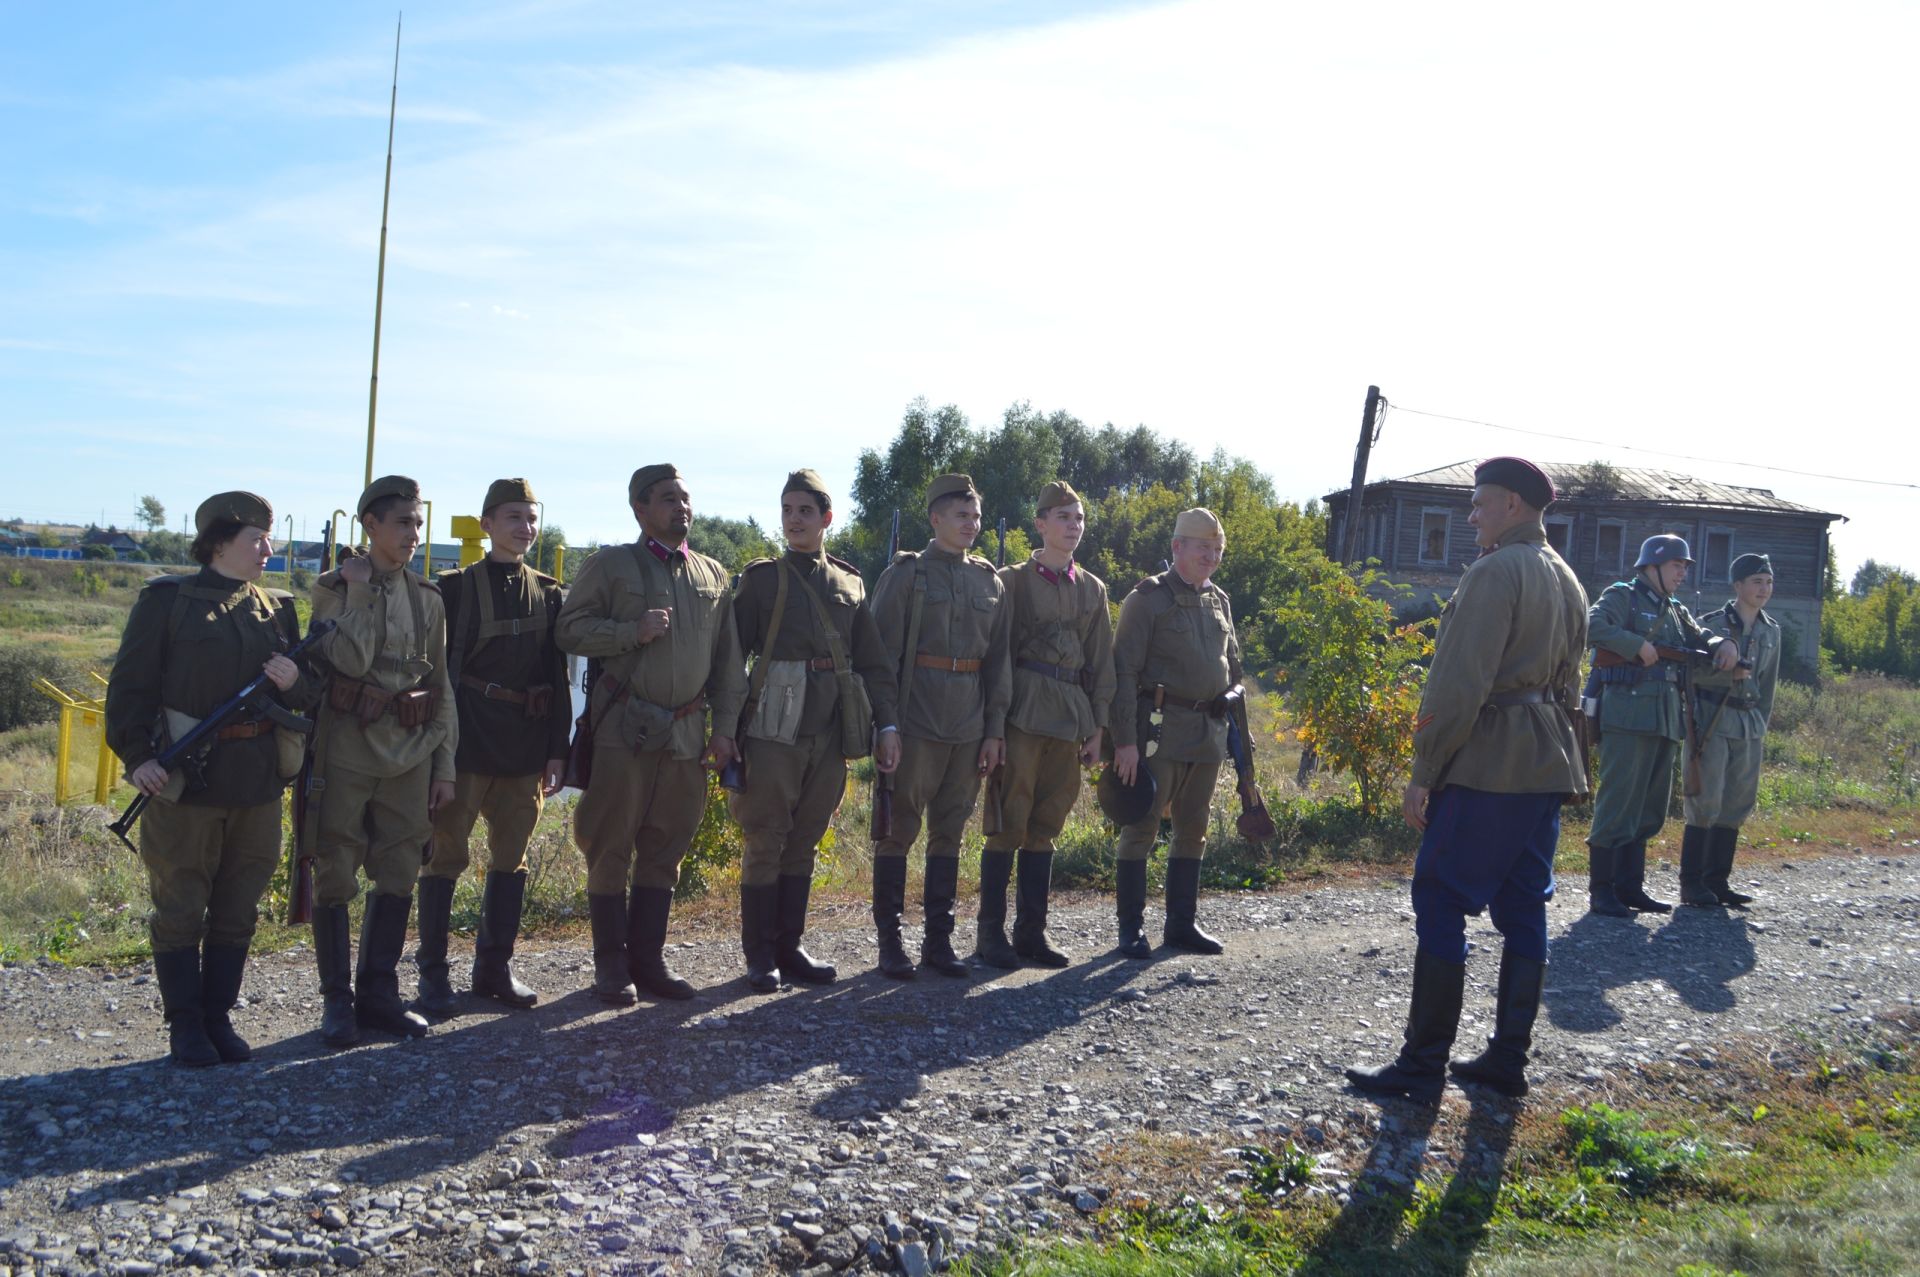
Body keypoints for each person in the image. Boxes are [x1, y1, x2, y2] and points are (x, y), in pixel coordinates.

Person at [1345, 458, 1588, 1102]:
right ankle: (1509, 1060)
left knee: (1442, 896)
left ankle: (1422, 1067)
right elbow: (1571, 686)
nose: (1470, 516)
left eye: (1479, 504)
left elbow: (1457, 685)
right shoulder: (1567, 577)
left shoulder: (1495, 572)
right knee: (1523, 905)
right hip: (1547, 764)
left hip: (1491, 764)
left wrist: (1425, 769)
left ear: (1512, 505)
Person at [105, 492, 316, 1066]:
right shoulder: (168, 601)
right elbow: (130, 689)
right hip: (185, 781)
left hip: (256, 782)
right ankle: (186, 1025)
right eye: (257, 540)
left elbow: (306, 694)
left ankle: (219, 1016)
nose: (267, 550)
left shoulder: (277, 607)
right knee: (180, 902)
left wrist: (294, 678)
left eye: (269, 539)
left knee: (239, 904)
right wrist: (137, 756)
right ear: (220, 541)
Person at [556, 464, 747, 1003]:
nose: (680, 508)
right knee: (611, 845)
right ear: (640, 509)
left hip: (688, 735)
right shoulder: (613, 566)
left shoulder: (713, 575)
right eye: (667, 500)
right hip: (624, 731)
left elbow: (730, 668)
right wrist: (628, 632)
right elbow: (567, 628)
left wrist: (725, 731)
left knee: (666, 849)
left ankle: (650, 962)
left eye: (685, 499)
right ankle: (611, 967)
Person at [725, 470, 900, 990]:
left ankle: (789, 946)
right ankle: (759, 956)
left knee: (804, 840)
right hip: (772, 730)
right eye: (787, 510)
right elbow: (730, 660)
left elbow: (875, 663)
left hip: (831, 729)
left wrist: (886, 724)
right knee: (765, 838)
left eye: (805, 511)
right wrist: (727, 730)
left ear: (826, 519)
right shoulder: (761, 581)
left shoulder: (849, 583)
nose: (794, 520)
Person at [306, 476, 457, 1047]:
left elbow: (442, 687)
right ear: (370, 525)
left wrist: (444, 766)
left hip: (411, 751)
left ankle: (379, 993)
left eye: (418, 524)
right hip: (347, 748)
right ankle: (337, 1001)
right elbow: (350, 657)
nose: (414, 534)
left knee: (398, 870)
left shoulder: (429, 598)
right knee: (336, 869)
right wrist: (361, 592)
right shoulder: (333, 588)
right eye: (403, 523)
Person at [414, 479, 570, 1015]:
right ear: (486, 525)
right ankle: (432, 976)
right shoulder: (454, 588)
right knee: (443, 858)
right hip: (464, 744)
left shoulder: (549, 592)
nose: (523, 528)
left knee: (511, 859)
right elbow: (434, 671)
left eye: (530, 518)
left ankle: (493, 970)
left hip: (524, 747)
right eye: (512, 518)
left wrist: (557, 749)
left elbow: (557, 676)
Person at [868, 474, 1012, 979]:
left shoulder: (989, 581)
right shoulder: (906, 575)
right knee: (898, 832)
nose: (970, 525)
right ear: (935, 519)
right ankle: (890, 943)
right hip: (916, 721)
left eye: (975, 516)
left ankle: (938, 942)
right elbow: (880, 657)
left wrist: (994, 730)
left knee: (948, 833)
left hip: (968, 725)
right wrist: (886, 724)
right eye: (960, 516)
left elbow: (998, 664)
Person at [976, 480, 1115, 969]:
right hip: (1023, 712)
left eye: (1078, 518)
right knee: (1008, 823)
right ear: (1040, 524)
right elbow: (998, 656)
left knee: (1047, 824)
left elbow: (1102, 664)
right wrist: (994, 726)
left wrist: (1098, 728)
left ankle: (1031, 934)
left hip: (1071, 716)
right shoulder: (1011, 580)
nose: (1073, 527)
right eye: (1063, 518)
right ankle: (989, 937)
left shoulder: (1093, 589)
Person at [1108, 507, 1241, 958]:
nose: (1211, 556)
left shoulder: (1220, 600)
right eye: (1203, 547)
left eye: (1218, 548)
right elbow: (1123, 673)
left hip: (1207, 734)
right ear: (1177, 547)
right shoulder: (1146, 599)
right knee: (1141, 828)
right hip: (1157, 733)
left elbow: (1234, 669)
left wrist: (1235, 708)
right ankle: (1131, 930)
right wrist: (1123, 741)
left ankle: (1181, 925)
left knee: (1193, 830)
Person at [1585, 535, 1741, 916]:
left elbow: (1699, 635)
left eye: (1685, 567)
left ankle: (1629, 886)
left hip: (1666, 718)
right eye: (1677, 566)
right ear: (1652, 566)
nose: (1682, 573)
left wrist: (1722, 642)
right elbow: (1590, 625)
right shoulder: (1625, 596)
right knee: (1618, 802)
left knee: (1650, 807)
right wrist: (1633, 644)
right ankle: (1602, 890)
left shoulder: (1674, 609)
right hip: (1627, 716)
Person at [1679, 553, 1780, 909]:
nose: (1763, 589)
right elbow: (1688, 673)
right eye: (1756, 582)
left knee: (1737, 802)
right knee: (1705, 800)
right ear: (1738, 586)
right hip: (1713, 720)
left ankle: (1717, 881)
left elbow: (1767, 687)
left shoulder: (1771, 630)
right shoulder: (1711, 625)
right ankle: (1692, 883)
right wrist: (1727, 674)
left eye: (1767, 582)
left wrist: (1761, 726)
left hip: (1749, 724)